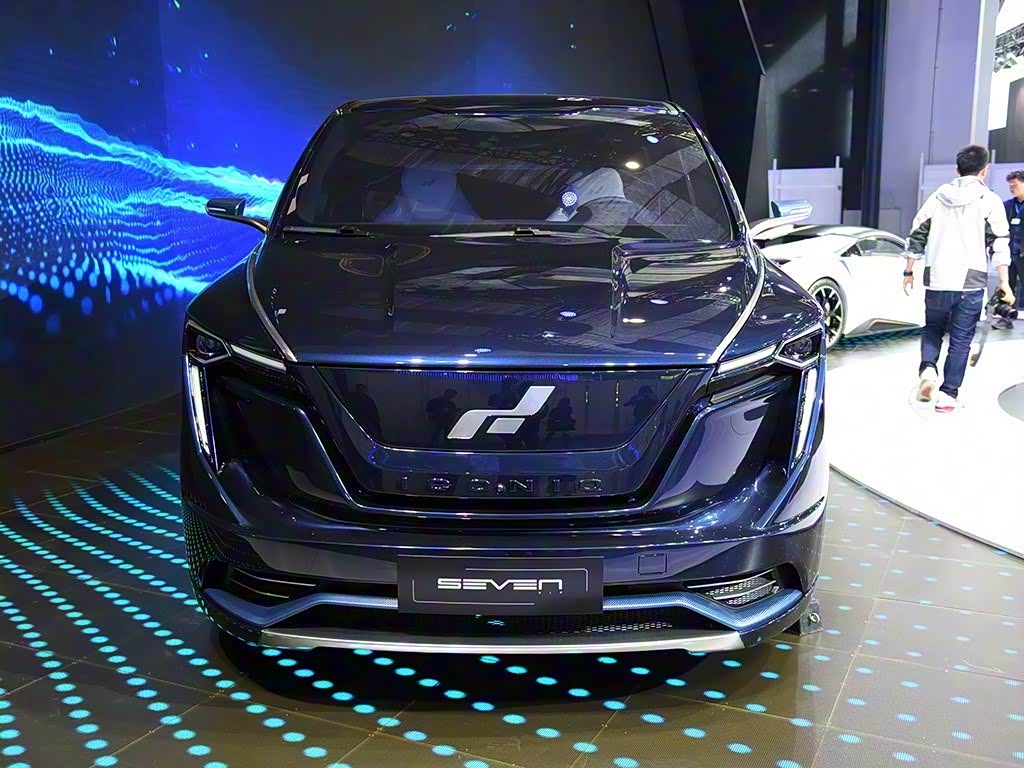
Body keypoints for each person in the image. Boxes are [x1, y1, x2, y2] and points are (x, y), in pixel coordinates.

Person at [904, 145, 1015, 413]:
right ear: (985, 171)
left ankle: (928, 369)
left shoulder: (937, 196)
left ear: (957, 170)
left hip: (936, 278)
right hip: (970, 282)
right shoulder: (990, 200)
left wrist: (908, 271)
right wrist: (1004, 282)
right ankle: (947, 395)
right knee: (961, 339)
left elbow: (917, 233)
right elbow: (1000, 243)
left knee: (933, 328)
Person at [1004, 170, 1024, 311]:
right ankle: (1007, 314)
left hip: (1022, 253)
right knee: (1007, 286)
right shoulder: (1007, 205)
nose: (1012, 189)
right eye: (1010, 186)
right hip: (1009, 253)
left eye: (1015, 185)